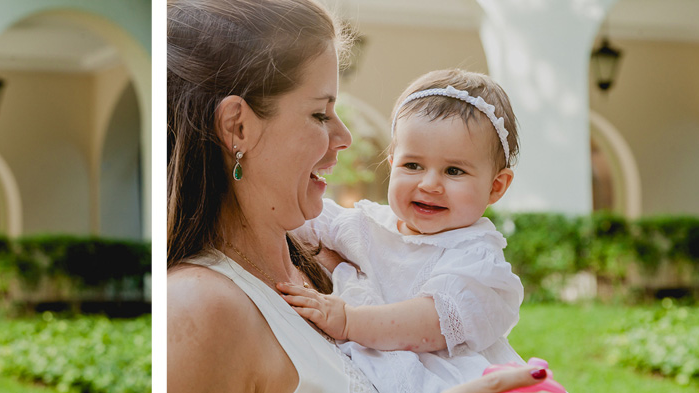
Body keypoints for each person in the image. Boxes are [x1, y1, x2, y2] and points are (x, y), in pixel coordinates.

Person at [167, 0, 549, 392]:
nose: (346, 137)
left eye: (454, 170)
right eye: (320, 114)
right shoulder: (198, 308)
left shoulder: (329, 258)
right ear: (237, 127)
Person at [279, 69, 528, 393]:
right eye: (412, 165)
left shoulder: (476, 256)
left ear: (496, 186)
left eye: (454, 171)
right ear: (392, 161)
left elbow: (433, 321)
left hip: (450, 381)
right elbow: (300, 219)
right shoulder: (367, 224)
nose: (429, 184)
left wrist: (349, 321)